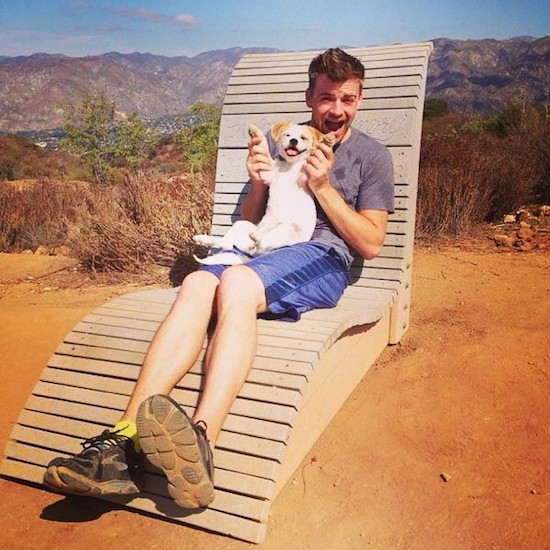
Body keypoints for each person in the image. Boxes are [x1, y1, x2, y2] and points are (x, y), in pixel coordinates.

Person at [43, 47, 394, 509]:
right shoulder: (282, 141)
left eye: (347, 99)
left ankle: (202, 440)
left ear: (359, 99)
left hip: (321, 258)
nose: (336, 111)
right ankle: (122, 443)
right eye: (327, 98)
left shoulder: (371, 156)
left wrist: (324, 188)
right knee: (195, 284)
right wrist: (257, 185)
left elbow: (369, 243)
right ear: (310, 96)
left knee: (236, 284)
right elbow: (249, 216)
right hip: (263, 247)